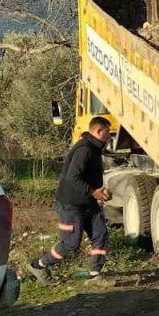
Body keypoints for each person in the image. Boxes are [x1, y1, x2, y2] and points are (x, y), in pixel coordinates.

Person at [29, 116, 112, 283]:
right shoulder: (84, 150)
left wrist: (98, 192)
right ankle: (38, 266)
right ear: (98, 131)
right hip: (71, 204)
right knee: (71, 244)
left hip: (87, 202)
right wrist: (93, 191)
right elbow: (72, 177)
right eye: (108, 132)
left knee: (100, 233)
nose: (109, 136)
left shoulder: (94, 148)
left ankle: (95, 274)